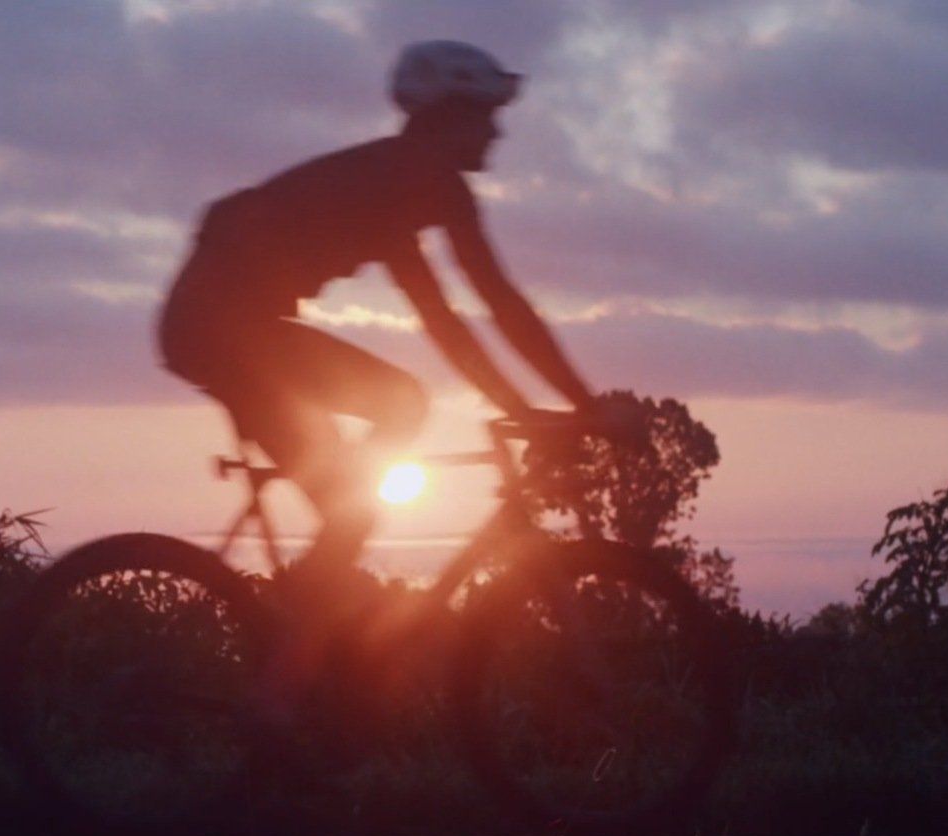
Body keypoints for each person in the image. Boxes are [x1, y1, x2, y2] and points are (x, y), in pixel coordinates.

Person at [157, 41, 616, 612]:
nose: (496, 134)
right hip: (226, 329)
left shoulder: (393, 181)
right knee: (370, 474)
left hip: (219, 326)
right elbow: (497, 304)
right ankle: (284, 672)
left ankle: (303, 624)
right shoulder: (420, 182)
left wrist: (520, 405)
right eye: (487, 117)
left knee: (383, 442)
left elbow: (448, 322)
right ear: (451, 117)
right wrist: (583, 404)